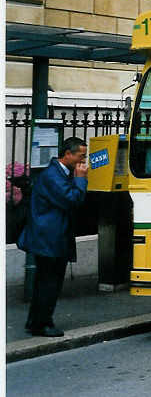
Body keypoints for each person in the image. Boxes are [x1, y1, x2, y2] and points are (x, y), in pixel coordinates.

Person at [17, 137, 88, 337]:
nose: (83, 161)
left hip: (51, 235)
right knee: (50, 282)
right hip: (49, 237)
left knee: (45, 281)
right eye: (81, 156)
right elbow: (72, 199)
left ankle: (35, 321)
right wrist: (81, 179)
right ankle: (43, 323)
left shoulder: (60, 173)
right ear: (68, 154)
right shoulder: (53, 176)